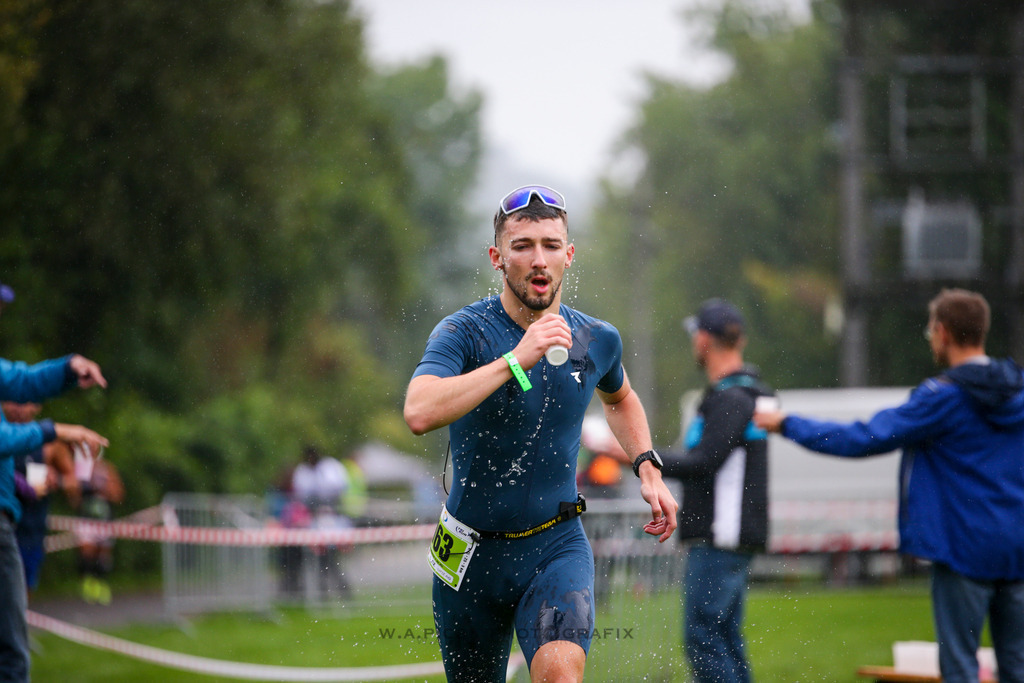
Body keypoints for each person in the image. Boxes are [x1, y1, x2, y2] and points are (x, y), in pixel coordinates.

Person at [403, 184, 678, 682]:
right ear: (497, 257)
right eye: (522, 245)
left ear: (569, 255)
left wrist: (647, 465)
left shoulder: (597, 338)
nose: (538, 260)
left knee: (561, 678)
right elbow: (419, 411)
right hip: (471, 554)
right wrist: (515, 358)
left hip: (555, 547)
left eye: (551, 245)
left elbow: (621, 399)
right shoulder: (463, 332)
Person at [755, 288, 1024, 683]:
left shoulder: (943, 398)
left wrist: (787, 424)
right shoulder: (1018, 392)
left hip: (965, 548)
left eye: (930, 331)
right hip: (1017, 547)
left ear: (943, 332)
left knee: (962, 669)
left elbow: (863, 438)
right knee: (1017, 668)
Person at [657, 298, 773, 683]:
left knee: (703, 638)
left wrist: (642, 459)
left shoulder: (732, 398)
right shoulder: (745, 393)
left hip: (720, 538)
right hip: (731, 538)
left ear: (704, 340)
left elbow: (703, 462)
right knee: (723, 637)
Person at [0, 279, 110, 683]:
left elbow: (24, 381)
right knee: (11, 653)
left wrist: (69, 367)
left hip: (15, 523)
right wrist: (56, 430)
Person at [3, 401, 80, 596]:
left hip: (30, 529)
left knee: (21, 593)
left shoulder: (50, 443)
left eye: (24, 403)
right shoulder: (4, 435)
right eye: (13, 401)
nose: (18, 408)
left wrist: (57, 480)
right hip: (4, 522)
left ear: (36, 406)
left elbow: (74, 485)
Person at [74, 448, 124, 604]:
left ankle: (102, 584)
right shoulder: (81, 469)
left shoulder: (107, 469)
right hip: (86, 518)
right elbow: (74, 496)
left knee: (103, 554)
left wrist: (105, 488)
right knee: (87, 552)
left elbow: (118, 494)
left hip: (104, 518)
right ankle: (88, 584)